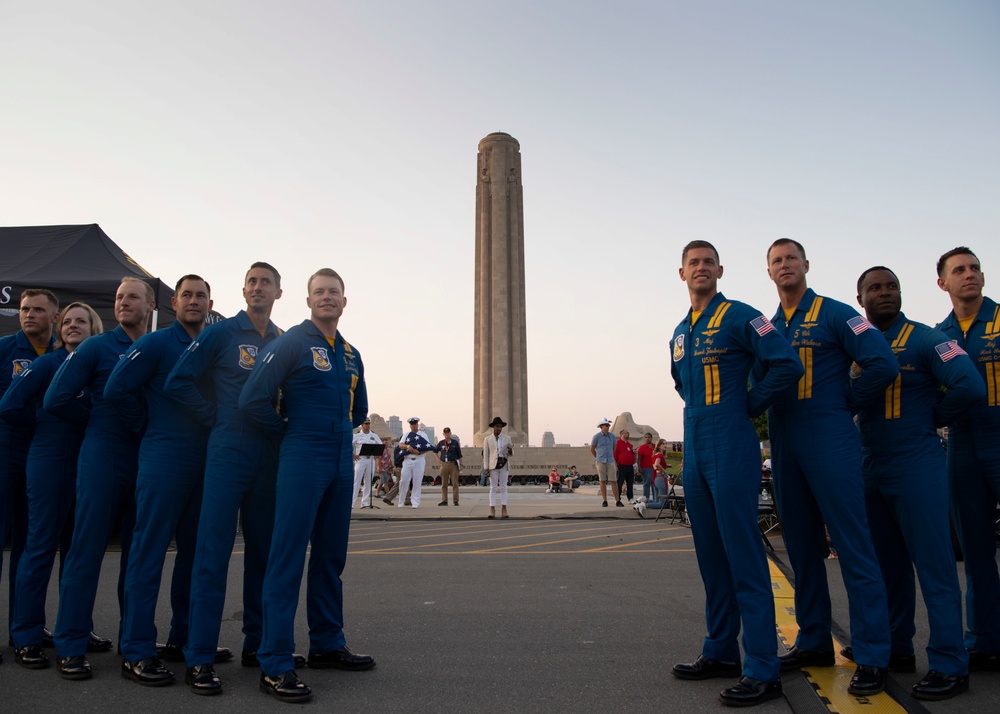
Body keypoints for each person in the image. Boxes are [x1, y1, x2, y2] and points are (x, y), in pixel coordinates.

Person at [668, 240, 802, 707]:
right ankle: (721, 650)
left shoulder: (744, 315)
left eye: (708, 262)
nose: (701, 268)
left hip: (731, 441)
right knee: (711, 557)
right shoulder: (679, 333)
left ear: (720, 270)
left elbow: (787, 363)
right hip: (696, 446)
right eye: (693, 263)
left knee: (744, 555)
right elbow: (681, 383)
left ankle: (762, 667)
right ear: (681, 273)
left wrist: (750, 403)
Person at [764, 238, 897, 696]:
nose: (785, 266)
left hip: (829, 436)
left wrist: (846, 403)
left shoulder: (836, 313)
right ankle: (814, 639)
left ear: (806, 265)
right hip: (785, 441)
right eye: (776, 261)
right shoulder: (767, 325)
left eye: (791, 258)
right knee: (801, 548)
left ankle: (874, 652)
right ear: (769, 272)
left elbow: (881, 363)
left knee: (853, 545)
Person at [239, 268, 374, 703]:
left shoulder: (351, 354)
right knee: (287, 557)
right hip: (300, 455)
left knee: (331, 558)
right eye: (319, 292)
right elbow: (252, 399)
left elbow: (360, 410)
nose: (327, 298)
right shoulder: (292, 342)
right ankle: (275, 662)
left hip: (339, 461)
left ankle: (327, 643)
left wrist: (335, 434)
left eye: (334, 292)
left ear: (344, 301)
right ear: (308, 299)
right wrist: (287, 433)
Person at [854, 265, 981, 700]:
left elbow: (968, 385)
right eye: (875, 288)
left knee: (935, 567)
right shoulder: (857, 344)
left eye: (892, 286)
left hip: (917, 464)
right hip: (871, 466)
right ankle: (897, 649)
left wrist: (932, 418)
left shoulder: (928, 338)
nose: (885, 293)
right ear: (861, 300)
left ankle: (949, 662)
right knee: (887, 568)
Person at [165, 262, 284, 693]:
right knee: (212, 554)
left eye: (265, 282)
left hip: (266, 457)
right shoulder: (221, 333)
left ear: (278, 293)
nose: (258, 288)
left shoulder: (282, 340)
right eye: (252, 281)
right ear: (243, 290)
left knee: (264, 554)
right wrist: (213, 417)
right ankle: (199, 657)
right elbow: (178, 382)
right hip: (227, 451)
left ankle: (258, 644)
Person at [104, 275, 217, 687]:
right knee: (148, 553)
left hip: (204, 462)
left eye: (200, 295)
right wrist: (146, 426)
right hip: (164, 456)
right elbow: (116, 390)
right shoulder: (153, 344)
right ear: (173, 302)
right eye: (186, 295)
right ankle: (136, 649)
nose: (193, 301)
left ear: (210, 302)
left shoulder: (213, 344)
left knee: (194, 554)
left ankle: (183, 640)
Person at [45, 277, 155, 680]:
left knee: (138, 554)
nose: (124, 303)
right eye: (119, 298)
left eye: (132, 298)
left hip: (145, 457)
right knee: (85, 550)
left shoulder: (154, 345)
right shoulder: (95, 347)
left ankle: (135, 641)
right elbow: (55, 398)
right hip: (103, 454)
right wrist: (92, 418)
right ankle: (71, 644)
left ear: (151, 304)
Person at [2, 302, 104, 669]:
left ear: (94, 328)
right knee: (40, 546)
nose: (73, 326)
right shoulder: (47, 363)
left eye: (82, 321)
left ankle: (74, 628)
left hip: (88, 464)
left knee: (77, 551)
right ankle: (27, 635)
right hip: (49, 462)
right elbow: (11, 404)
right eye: (68, 321)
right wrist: (43, 425)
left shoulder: (95, 364)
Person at [936, 246, 1000, 672]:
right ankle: (984, 640)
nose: (970, 274)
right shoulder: (937, 335)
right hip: (960, 444)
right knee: (975, 549)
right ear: (943, 283)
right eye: (959, 270)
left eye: (975, 267)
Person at [0, 288, 57, 661]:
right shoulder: (5, 349)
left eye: (38, 309)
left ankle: (26, 628)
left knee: (30, 547)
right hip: (6, 451)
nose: (29, 314)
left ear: (55, 315)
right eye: (24, 309)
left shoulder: (64, 353)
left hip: (45, 456)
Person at [398, 418, 436, 509]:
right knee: (403, 481)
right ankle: (401, 501)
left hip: (419, 459)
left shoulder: (423, 435)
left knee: (417, 482)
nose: (413, 425)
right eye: (412, 424)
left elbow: (427, 446)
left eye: (415, 424)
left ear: (417, 425)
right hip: (408, 459)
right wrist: (408, 446)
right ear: (410, 425)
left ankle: (415, 502)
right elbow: (400, 445)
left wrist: (418, 452)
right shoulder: (406, 435)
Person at [483, 416, 513, 519]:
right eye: (497, 426)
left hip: (504, 463)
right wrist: (486, 468)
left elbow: (512, 453)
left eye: (500, 427)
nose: (499, 428)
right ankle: (492, 508)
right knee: (493, 488)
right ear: (493, 427)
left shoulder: (507, 438)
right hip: (493, 465)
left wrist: (510, 450)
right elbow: (486, 454)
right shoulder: (487, 439)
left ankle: (504, 508)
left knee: (504, 487)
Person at [590, 419, 621, 507]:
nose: (608, 427)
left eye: (608, 425)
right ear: (601, 426)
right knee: (602, 480)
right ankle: (604, 500)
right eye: (606, 425)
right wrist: (597, 457)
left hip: (610, 460)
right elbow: (592, 448)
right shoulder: (597, 436)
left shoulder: (612, 436)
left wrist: (611, 456)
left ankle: (617, 500)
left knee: (613, 480)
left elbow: (614, 447)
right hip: (601, 461)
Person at [352, 418, 381, 508]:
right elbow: (348, 445)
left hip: (370, 460)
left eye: (368, 424)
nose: (367, 426)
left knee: (368, 482)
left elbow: (380, 445)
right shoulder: (356, 435)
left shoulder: (373, 435)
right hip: (361, 460)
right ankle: (352, 502)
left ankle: (365, 502)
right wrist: (354, 455)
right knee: (357, 481)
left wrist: (377, 454)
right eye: (365, 424)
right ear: (362, 425)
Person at [436, 427, 462, 506]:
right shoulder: (441, 443)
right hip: (444, 464)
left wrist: (460, 465)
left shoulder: (455, 443)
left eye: (448, 433)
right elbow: (435, 451)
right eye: (445, 433)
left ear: (450, 433)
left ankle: (455, 500)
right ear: (443, 434)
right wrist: (438, 460)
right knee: (444, 484)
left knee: (454, 483)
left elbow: (460, 455)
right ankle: (444, 500)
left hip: (453, 464)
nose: (447, 434)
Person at [614, 429, 636, 502]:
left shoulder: (629, 444)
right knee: (620, 482)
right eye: (627, 433)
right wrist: (616, 466)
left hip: (630, 466)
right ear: (622, 434)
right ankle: (618, 498)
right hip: (621, 466)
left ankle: (630, 497)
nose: (628, 434)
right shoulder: (617, 443)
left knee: (630, 482)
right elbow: (615, 455)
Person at [637, 433, 656, 502]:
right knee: (647, 483)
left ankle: (655, 498)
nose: (647, 438)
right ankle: (646, 498)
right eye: (646, 437)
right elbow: (639, 458)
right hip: (645, 468)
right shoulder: (642, 447)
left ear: (651, 438)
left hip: (654, 467)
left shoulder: (655, 447)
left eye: (649, 437)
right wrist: (639, 467)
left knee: (654, 483)